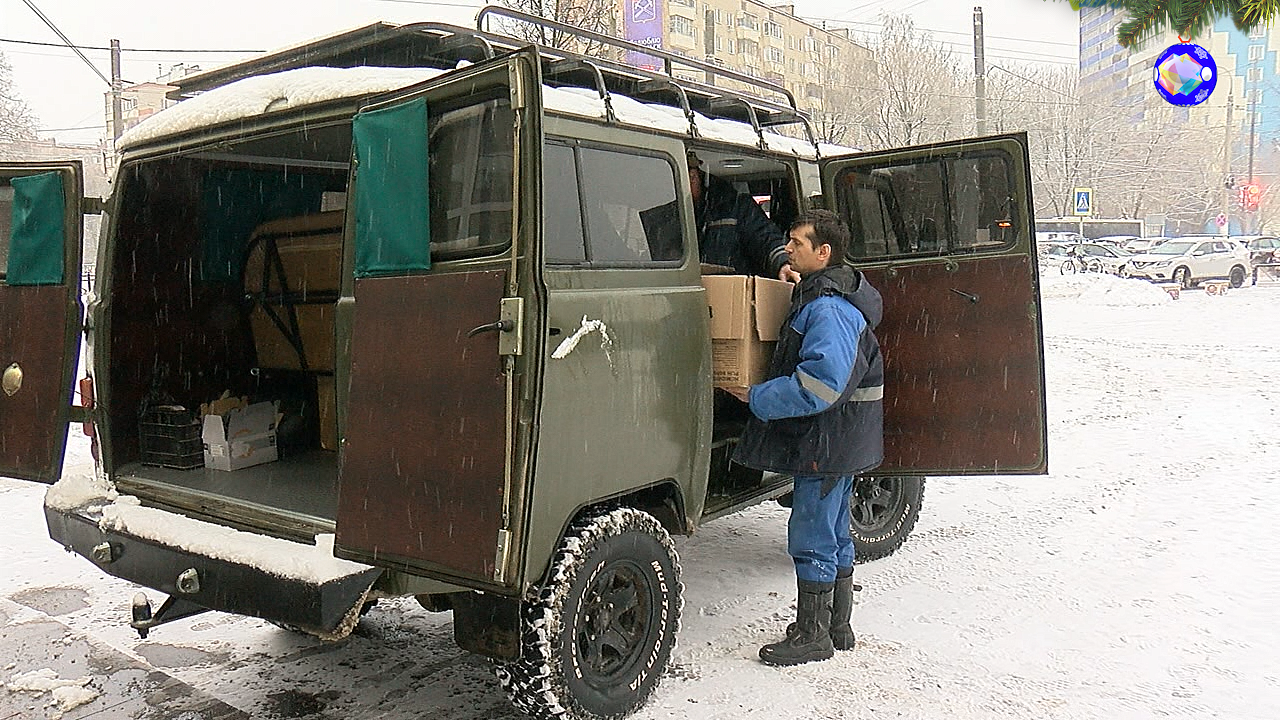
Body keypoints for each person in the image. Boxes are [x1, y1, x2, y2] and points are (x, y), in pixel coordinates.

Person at [728, 209, 884, 666]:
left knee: (812, 535)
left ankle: (812, 636)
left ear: (824, 252)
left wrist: (755, 396)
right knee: (835, 532)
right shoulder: (828, 296)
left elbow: (819, 386)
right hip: (843, 440)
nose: (789, 250)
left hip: (827, 441)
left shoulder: (829, 308)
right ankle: (837, 626)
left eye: (797, 243)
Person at [688, 151, 802, 283]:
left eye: (691, 177)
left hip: (731, 291)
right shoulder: (668, 216)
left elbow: (766, 238)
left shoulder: (737, 207)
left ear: (694, 176)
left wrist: (783, 263)